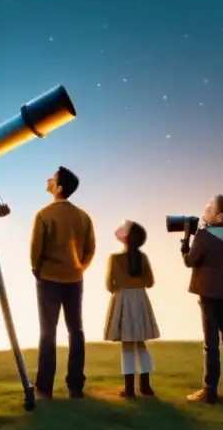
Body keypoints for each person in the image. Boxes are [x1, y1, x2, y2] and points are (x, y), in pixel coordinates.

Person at [30, 166, 96, 399]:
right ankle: (75, 386)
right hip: (75, 281)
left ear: (58, 188)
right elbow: (90, 250)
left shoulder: (44, 215)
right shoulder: (83, 217)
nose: (48, 178)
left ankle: (44, 388)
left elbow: (35, 252)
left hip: (48, 280)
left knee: (48, 332)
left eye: (53, 178)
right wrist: (79, 268)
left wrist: (37, 271)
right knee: (75, 330)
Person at [181, 194, 223, 403]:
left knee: (211, 343)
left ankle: (210, 391)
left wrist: (185, 241)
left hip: (209, 295)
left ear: (219, 216)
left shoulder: (204, 236)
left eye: (209, 207)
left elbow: (190, 261)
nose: (205, 208)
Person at [103, 220, 160, 398]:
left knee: (127, 346)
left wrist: (121, 290)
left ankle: (129, 389)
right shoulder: (142, 258)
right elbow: (150, 282)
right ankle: (145, 386)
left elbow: (109, 285)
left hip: (122, 299)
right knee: (140, 344)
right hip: (140, 299)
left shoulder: (114, 258)